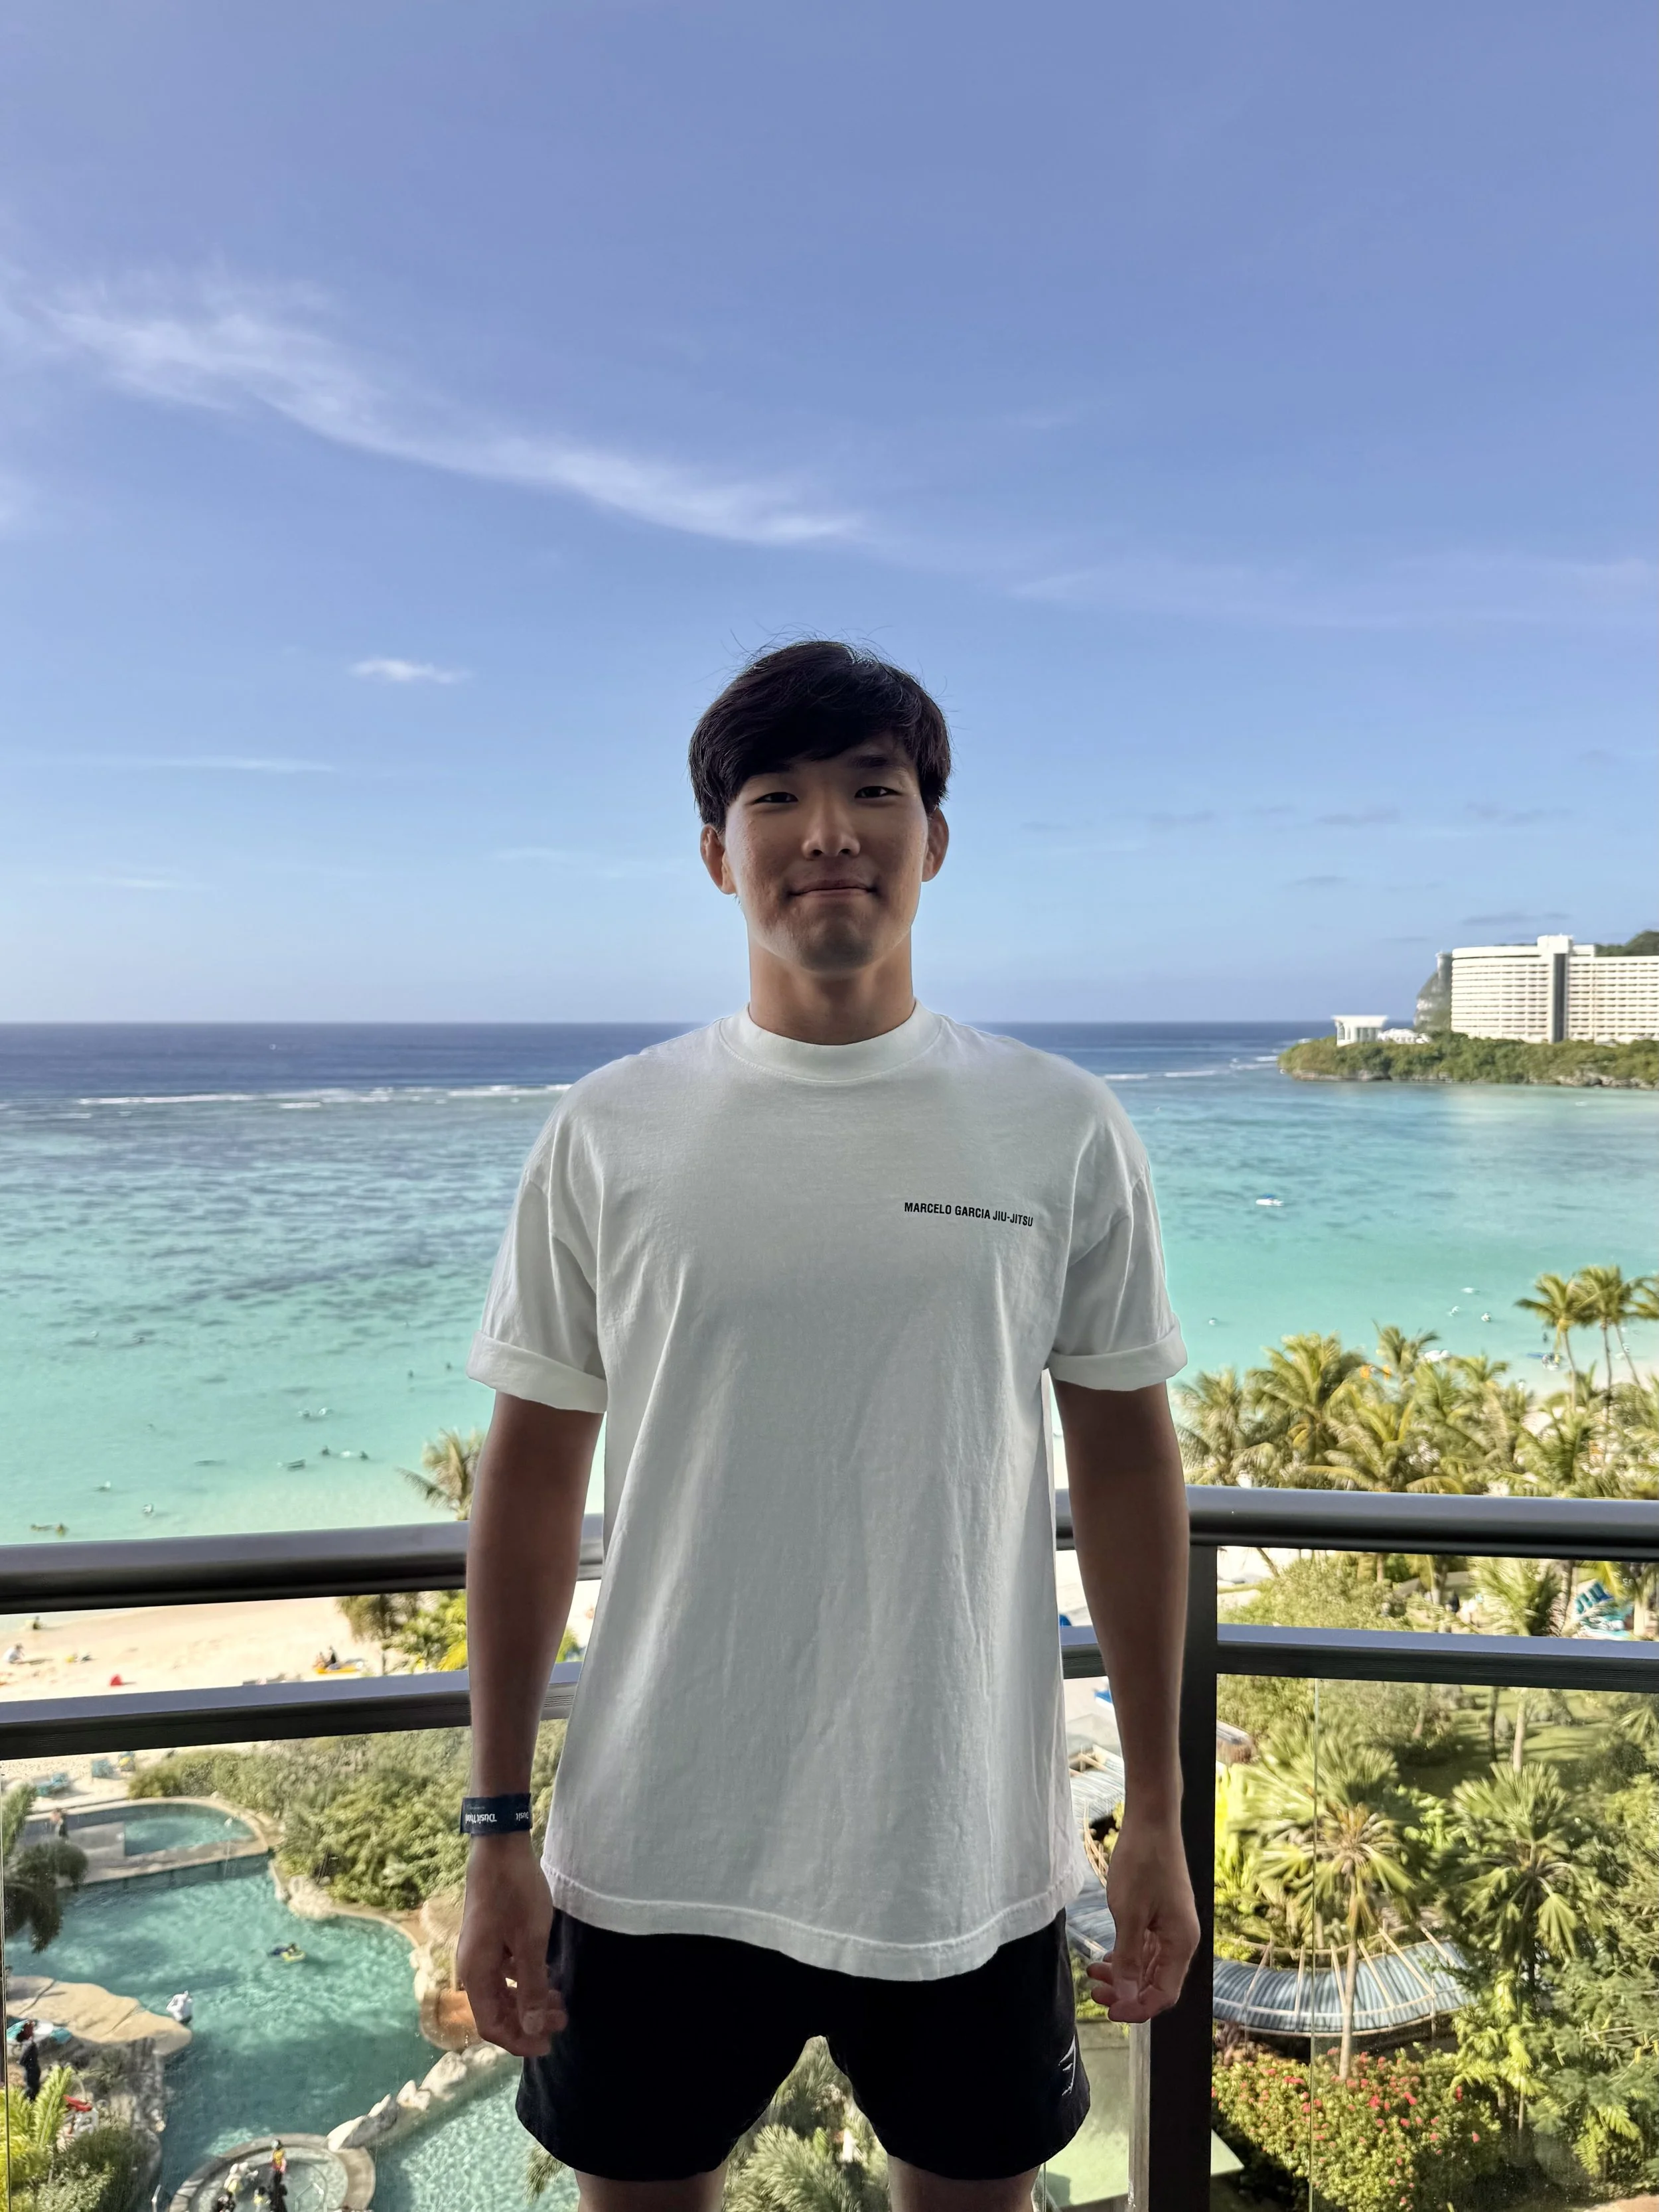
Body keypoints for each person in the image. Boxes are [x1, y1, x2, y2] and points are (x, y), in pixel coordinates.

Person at [456, 642, 1199, 2212]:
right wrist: (496, 1822)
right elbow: (526, 1481)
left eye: (874, 789)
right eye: (774, 798)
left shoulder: (1060, 1124)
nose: (827, 832)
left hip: (962, 1846)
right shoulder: (607, 1131)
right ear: (715, 853)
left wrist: (1154, 1808)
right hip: (653, 1849)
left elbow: (1129, 1462)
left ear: (934, 835)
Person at [17, 2020, 42, 2102]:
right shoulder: (28, 2043)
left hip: (33, 2071)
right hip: (31, 2071)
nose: (32, 2030)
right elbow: (22, 2059)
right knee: (32, 2091)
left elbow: (24, 2059)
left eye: (32, 2028)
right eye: (29, 2029)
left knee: (34, 2090)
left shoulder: (30, 2043)